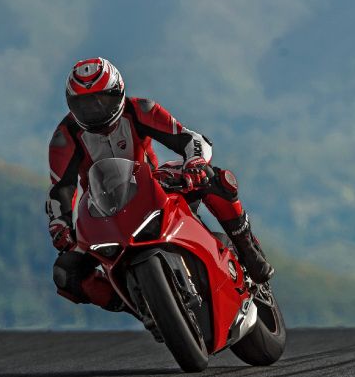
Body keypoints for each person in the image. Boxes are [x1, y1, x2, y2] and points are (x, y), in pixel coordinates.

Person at [45, 57, 273, 310]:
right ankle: (139, 307)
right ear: (71, 105)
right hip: (105, 213)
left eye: (103, 100)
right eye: (85, 105)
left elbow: (190, 139)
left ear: (119, 92)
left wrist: (195, 162)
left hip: (155, 188)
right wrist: (60, 226)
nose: (96, 109)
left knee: (213, 178)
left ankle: (247, 248)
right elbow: (60, 191)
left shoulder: (140, 109)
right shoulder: (64, 138)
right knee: (66, 274)